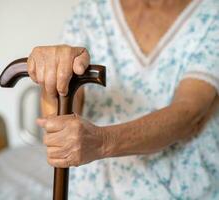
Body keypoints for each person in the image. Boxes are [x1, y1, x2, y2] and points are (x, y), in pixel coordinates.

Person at [29, 0, 219, 199]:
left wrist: (101, 142)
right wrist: (52, 78)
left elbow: (189, 114)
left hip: (183, 187)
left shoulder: (211, 14)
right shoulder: (90, 12)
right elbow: (62, 110)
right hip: (92, 189)